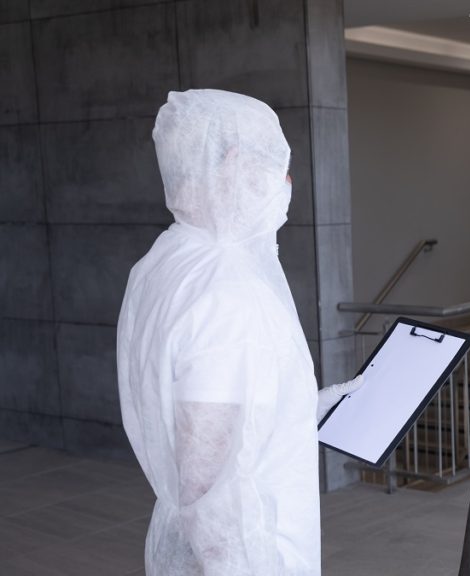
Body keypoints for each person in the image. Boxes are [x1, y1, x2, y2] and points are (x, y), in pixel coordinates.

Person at [117, 89, 361, 575]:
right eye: (278, 166)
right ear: (232, 163)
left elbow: (213, 417)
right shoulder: (227, 291)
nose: (286, 183)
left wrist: (301, 407)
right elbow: (209, 484)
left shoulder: (165, 260)